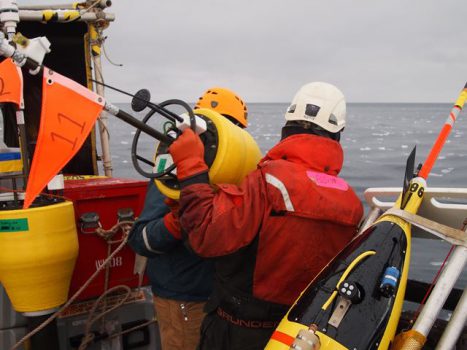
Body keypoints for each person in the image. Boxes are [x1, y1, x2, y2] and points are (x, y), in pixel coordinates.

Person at [168, 82, 364, 349]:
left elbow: (205, 237)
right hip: (295, 335)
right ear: (338, 135)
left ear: (287, 127)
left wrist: (191, 167)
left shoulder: (267, 181)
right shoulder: (352, 203)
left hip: (236, 333)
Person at [128, 87, 248, 350]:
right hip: (184, 298)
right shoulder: (172, 172)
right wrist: (181, 218)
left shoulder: (235, 173)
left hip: (222, 298)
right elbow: (140, 239)